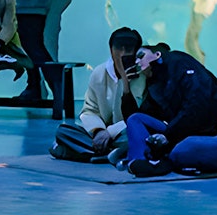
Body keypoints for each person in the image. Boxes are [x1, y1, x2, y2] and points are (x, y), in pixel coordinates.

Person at [118, 43, 217, 177]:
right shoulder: (155, 83)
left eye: (141, 56)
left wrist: (168, 135)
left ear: (157, 55)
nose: (137, 61)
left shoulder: (179, 62)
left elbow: (197, 105)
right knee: (136, 119)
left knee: (183, 150)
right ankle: (141, 162)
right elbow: (138, 117)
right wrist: (126, 88)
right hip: (184, 134)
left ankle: (161, 161)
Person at [49, 27, 146, 163]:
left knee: (139, 136)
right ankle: (111, 154)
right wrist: (99, 131)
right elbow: (89, 110)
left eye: (129, 48)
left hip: (125, 133)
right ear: (111, 50)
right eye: (119, 48)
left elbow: (143, 116)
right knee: (63, 131)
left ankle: (89, 153)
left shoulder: (143, 74)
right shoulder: (99, 73)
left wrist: (110, 132)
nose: (123, 53)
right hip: (102, 136)